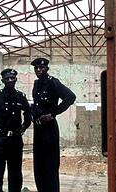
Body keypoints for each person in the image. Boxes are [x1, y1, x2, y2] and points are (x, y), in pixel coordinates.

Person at [31, 57, 76, 192]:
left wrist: (52, 114)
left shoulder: (53, 83)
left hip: (49, 129)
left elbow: (70, 97)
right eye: (36, 68)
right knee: (39, 165)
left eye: (41, 68)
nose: (38, 70)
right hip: (38, 129)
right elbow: (37, 104)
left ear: (47, 69)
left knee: (50, 165)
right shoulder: (36, 84)